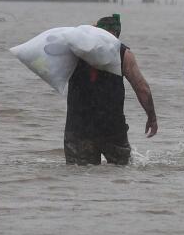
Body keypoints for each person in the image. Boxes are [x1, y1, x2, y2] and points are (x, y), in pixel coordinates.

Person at [64, 14, 158, 166]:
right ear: (116, 34)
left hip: (78, 127)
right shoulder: (123, 54)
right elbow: (142, 88)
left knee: (79, 176)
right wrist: (152, 117)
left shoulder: (74, 52)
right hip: (112, 127)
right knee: (120, 172)